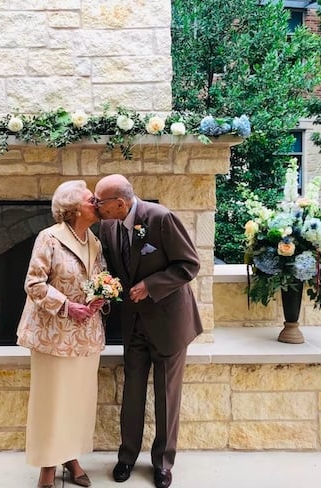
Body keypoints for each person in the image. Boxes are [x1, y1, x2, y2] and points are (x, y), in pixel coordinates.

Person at [93, 174, 202, 488]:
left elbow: (189, 265)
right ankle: (126, 457)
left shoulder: (162, 219)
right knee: (132, 393)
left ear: (120, 203)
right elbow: (114, 269)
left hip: (169, 323)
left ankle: (163, 464)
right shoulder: (108, 226)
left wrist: (151, 286)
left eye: (100, 202)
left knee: (166, 396)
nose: (96, 206)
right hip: (133, 324)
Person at [17, 180, 107, 488]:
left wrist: (102, 294)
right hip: (52, 335)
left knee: (77, 400)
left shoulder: (94, 241)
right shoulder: (49, 238)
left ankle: (71, 457)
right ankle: (47, 465)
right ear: (74, 207)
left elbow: (102, 277)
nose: (97, 201)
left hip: (86, 336)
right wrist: (67, 306)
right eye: (90, 198)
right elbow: (34, 284)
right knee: (51, 401)